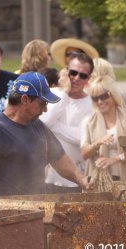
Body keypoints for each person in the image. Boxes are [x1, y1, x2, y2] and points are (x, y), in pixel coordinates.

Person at [0, 72, 93, 197]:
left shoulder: (38, 126)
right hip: (6, 214)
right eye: (42, 103)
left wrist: (81, 179)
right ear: (24, 99)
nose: (45, 109)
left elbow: (59, 158)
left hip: (38, 209)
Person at [81, 76, 126, 199]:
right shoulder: (88, 122)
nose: (100, 101)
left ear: (113, 95)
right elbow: (84, 154)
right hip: (98, 182)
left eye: (104, 96)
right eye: (95, 98)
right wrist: (97, 143)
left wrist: (115, 159)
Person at [40, 53, 94, 193]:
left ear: (88, 78)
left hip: (76, 180)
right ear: (65, 71)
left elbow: (82, 137)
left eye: (82, 75)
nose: (76, 78)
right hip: (45, 177)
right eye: (73, 73)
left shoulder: (92, 104)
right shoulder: (51, 93)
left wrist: (53, 126)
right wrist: (64, 92)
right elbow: (42, 123)